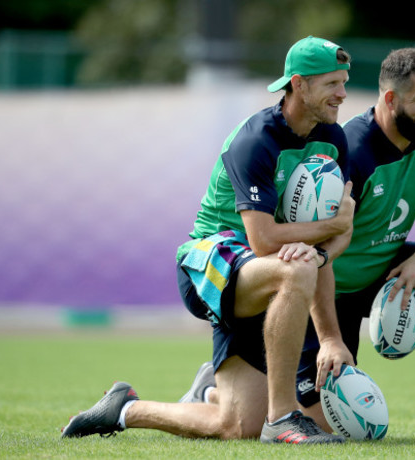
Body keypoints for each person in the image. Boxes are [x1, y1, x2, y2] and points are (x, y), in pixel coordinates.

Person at [182, 47, 415, 442]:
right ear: (391, 99)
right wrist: (329, 331)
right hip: (328, 289)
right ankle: (212, 390)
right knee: (324, 425)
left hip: (387, 273)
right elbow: (318, 237)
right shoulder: (352, 147)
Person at [61, 35, 356, 445]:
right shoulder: (255, 140)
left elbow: (338, 236)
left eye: (344, 82)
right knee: (298, 267)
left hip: (271, 268)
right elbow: (265, 237)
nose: (343, 94)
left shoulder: (333, 138)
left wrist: (331, 339)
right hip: (211, 261)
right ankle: (284, 417)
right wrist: (323, 237)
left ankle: (125, 408)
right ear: (299, 85)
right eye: (332, 84)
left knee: (236, 427)